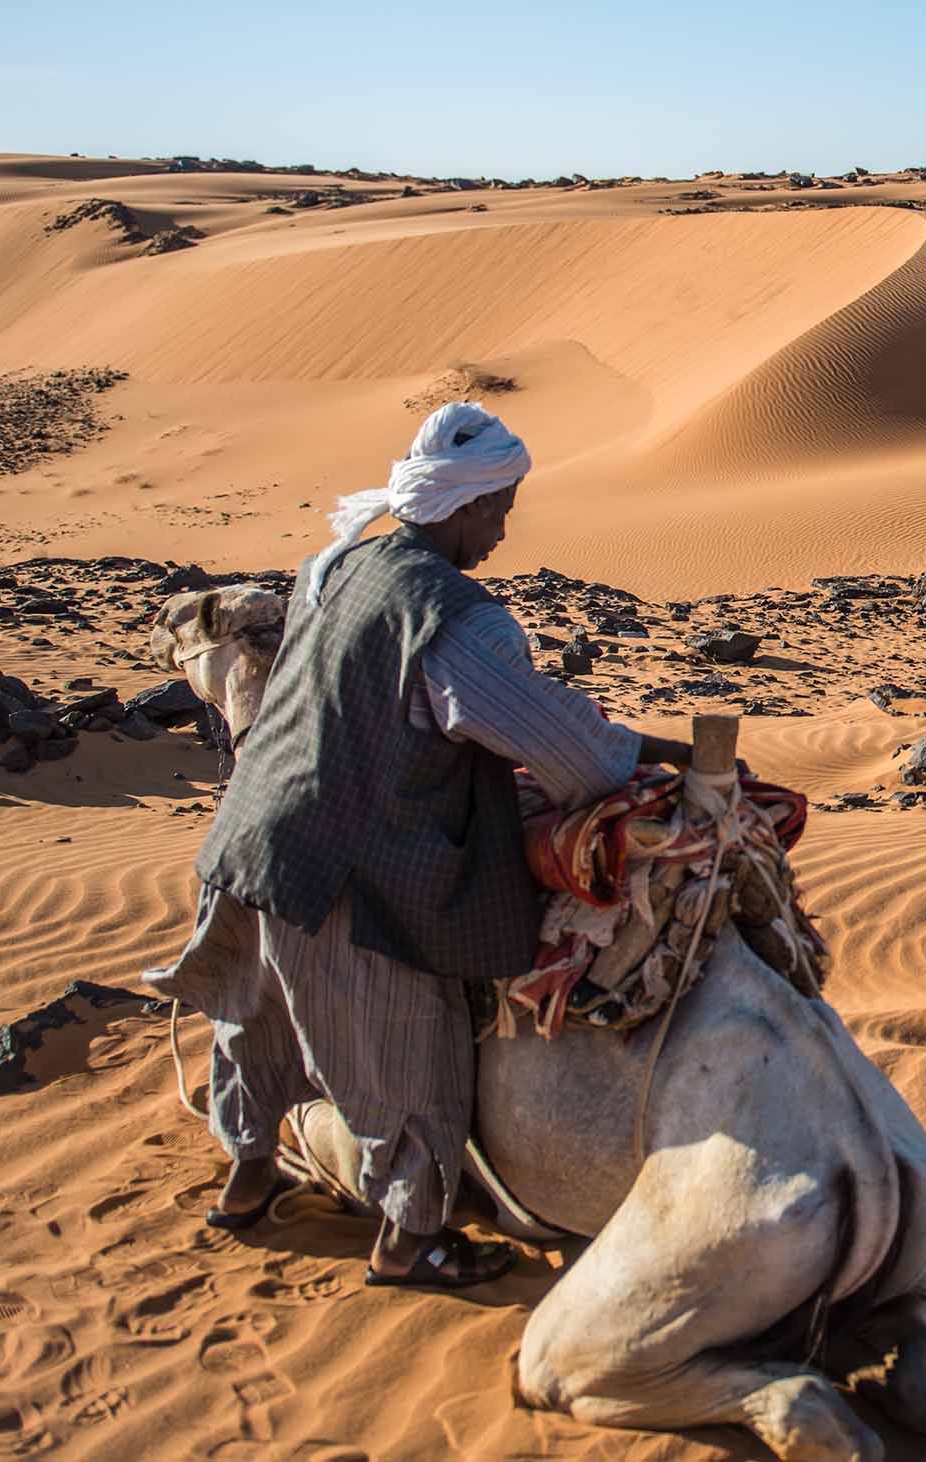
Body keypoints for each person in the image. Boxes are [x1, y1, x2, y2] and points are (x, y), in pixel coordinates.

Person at [152, 402, 686, 1288]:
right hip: (343, 875)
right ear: (465, 505)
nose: (505, 528)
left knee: (258, 1024)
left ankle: (247, 1182)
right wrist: (651, 752)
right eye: (501, 506)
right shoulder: (456, 622)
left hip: (248, 841)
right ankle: (411, 1244)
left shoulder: (340, 564)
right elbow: (555, 744)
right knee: (410, 1055)